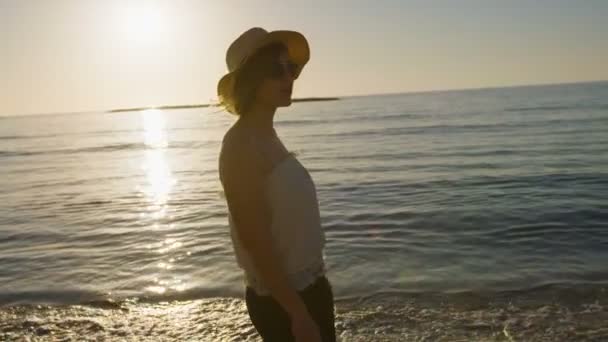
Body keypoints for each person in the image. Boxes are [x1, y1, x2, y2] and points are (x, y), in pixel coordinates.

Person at [217, 27, 336, 342]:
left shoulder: (266, 137)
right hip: (284, 302)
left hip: (307, 289)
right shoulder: (241, 145)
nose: (289, 78)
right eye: (275, 70)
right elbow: (256, 243)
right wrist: (298, 314)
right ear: (251, 80)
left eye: (291, 68)